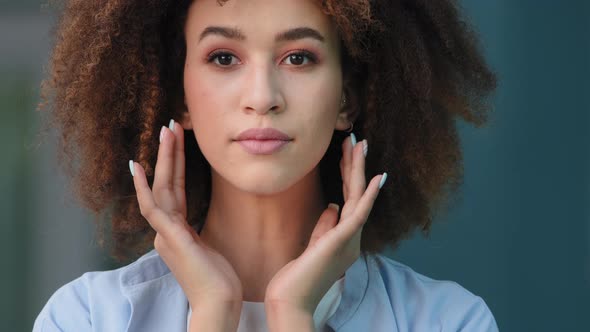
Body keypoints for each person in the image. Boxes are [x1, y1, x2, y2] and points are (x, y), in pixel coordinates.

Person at [33, 0, 498, 331]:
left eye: (298, 57)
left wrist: (292, 315)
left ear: (347, 98)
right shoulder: (88, 318)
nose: (262, 98)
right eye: (224, 57)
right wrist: (214, 313)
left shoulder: (447, 321)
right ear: (179, 97)